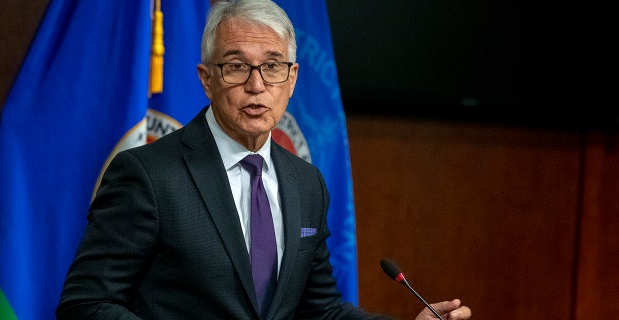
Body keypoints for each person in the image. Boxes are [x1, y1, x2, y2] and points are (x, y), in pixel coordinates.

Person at [56, 0, 472, 319]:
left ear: (290, 80)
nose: (257, 85)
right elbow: (86, 303)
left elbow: (320, 311)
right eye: (237, 66)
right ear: (206, 79)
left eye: (272, 66)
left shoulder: (307, 184)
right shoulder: (148, 175)